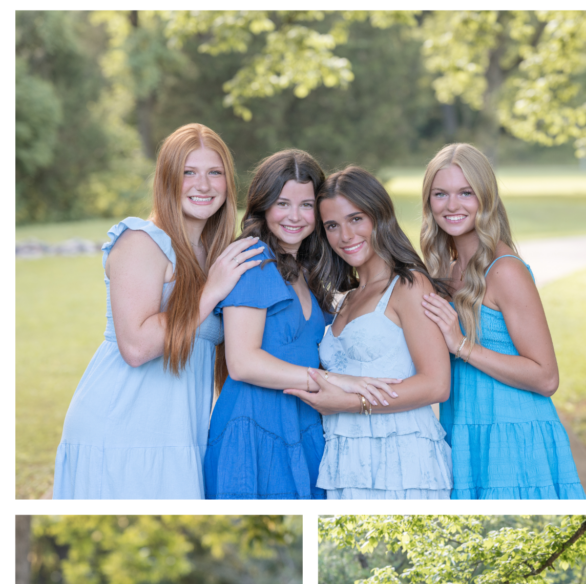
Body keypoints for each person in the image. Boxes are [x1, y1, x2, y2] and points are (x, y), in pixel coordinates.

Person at [53, 123, 263, 498]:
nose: (203, 185)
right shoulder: (142, 241)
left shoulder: (214, 255)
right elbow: (135, 347)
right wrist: (210, 291)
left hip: (179, 434)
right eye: (188, 172)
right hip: (124, 431)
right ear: (167, 179)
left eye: (214, 172)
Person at [203, 150, 398, 499]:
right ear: (263, 205)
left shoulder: (306, 272)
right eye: (282, 203)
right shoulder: (253, 261)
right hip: (254, 426)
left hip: (303, 422)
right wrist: (334, 380)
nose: (295, 217)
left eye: (306, 205)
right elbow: (243, 362)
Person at [418, 143, 585, 499]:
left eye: (466, 193)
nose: (452, 205)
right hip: (465, 433)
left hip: (514, 437)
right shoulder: (446, 272)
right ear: (428, 202)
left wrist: (462, 346)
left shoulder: (505, 270)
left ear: (486, 198)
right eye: (440, 194)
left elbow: (546, 377)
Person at [282, 166, 453, 498]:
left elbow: (436, 384)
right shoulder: (345, 299)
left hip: (401, 456)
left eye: (356, 219)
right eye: (332, 225)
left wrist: (349, 402)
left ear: (379, 217)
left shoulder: (408, 285)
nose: (345, 236)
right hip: (344, 458)